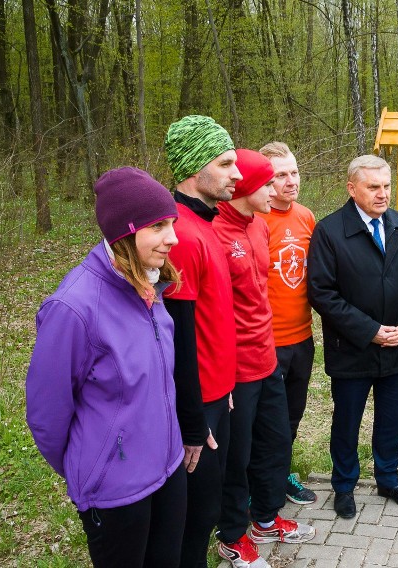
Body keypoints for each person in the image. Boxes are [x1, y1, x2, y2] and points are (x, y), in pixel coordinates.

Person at [26, 167, 186, 566]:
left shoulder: (150, 284)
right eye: (159, 226)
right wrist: (96, 466)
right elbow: (47, 415)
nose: (173, 238)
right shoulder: (73, 308)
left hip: (168, 469)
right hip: (115, 493)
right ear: (124, 234)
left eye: (173, 223)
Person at [307, 155, 398, 519]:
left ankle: (388, 479)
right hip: (352, 350)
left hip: (397, 348)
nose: (382, 194)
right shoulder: (330, 232)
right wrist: (370, 331)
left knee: (393, 419)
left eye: (386, 186)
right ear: (352, 188)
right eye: (373, 187)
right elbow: (322, 293)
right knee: (347, 422)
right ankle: (344, 486)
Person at [213, 149, 315, 567]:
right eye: (269, 182)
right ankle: (232, 536)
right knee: (236, 456)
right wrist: (222, 379)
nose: (278, 188)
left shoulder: (257, 226)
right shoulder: (216, 232)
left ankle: (266, 519)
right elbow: (212, 313)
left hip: (267, 356)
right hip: (236, 368)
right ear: (247, 188)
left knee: (274, 443)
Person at [162, 115, 241, 568]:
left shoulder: (205, 224)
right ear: (196, 168)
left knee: (207, 512)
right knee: (194, 518)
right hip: (197, 405)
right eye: (226, 163)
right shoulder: (183, 236)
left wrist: (225, 387)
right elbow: (178, 334)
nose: (236, 174)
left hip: (217, 393)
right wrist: (193, 421)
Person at [255, 142, 318, 505]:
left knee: (292, 416)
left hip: (302, 337)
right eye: (280, 175)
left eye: (293, 172)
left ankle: (281, 475)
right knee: (269, 422)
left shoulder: (306, 217)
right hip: (267, 342)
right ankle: (260, 486)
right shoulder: (256, 219)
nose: (291, 181)